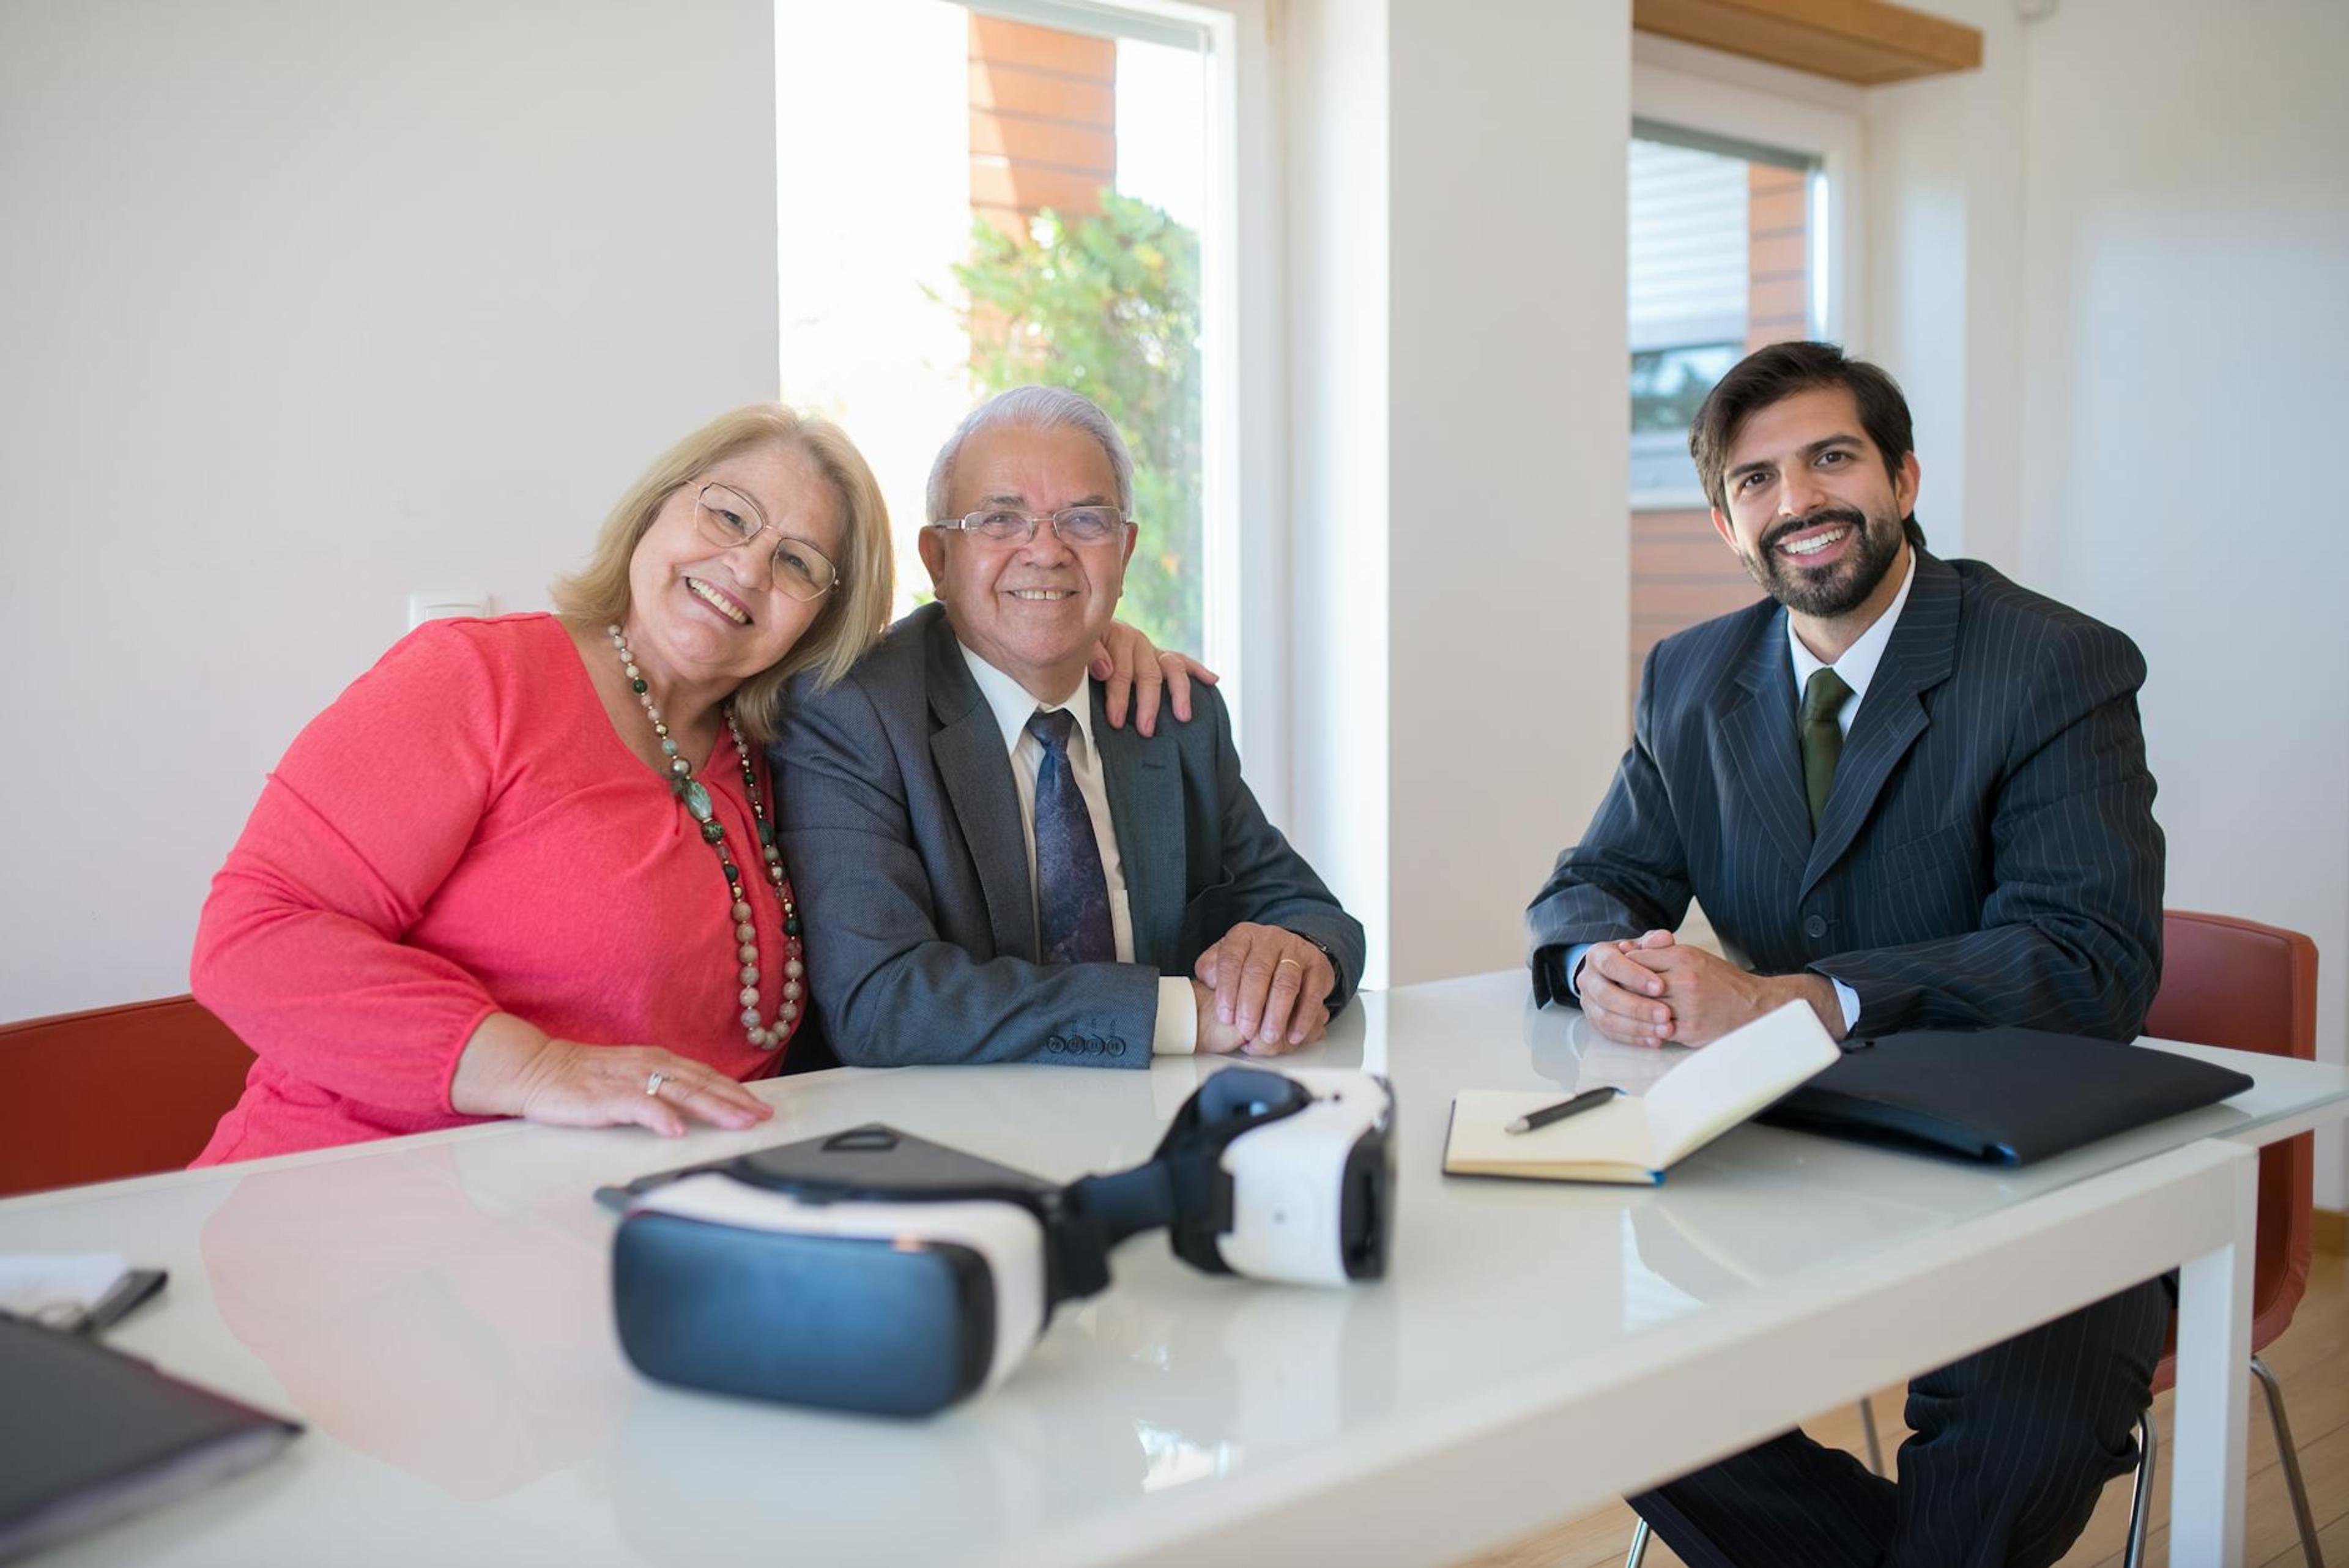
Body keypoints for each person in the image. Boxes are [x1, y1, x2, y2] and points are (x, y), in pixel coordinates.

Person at [1527, 342, 2166, 1567]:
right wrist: (1600, 960)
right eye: (1758, 480)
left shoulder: (2053, 665)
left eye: (1831, 459)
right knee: (1590, 1348)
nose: (1800, 500)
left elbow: (2090, 962)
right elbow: (1592, 886)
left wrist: (1802, 998)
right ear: (1726, 523)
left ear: (1905, 477)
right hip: (1790, 1150)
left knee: (2027, 1416)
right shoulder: (1689, 677)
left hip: (2035, 1160)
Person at [191, 404, 1203, 1164]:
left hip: (604, 1235)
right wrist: (538, 1068)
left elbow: (961, 640)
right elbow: (252, 934)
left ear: (823, 614)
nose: (747, 567)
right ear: (656, 509)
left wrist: (1082, 637)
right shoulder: (480, 678)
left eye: (799, 561)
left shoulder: (781, 754)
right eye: (728, 514)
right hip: (353, 1194)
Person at [773, 385, 1364, 1066]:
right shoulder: (853, 713)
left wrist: (1291, 958)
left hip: (1165, 1134)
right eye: (1000, 520)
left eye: (1085, 520)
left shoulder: (1173, 711)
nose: (1046, 551)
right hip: (949, 1150)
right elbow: (883, 1002)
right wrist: (1179, 1015)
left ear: (1125, 551)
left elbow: (1315, 915)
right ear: (938, 559)